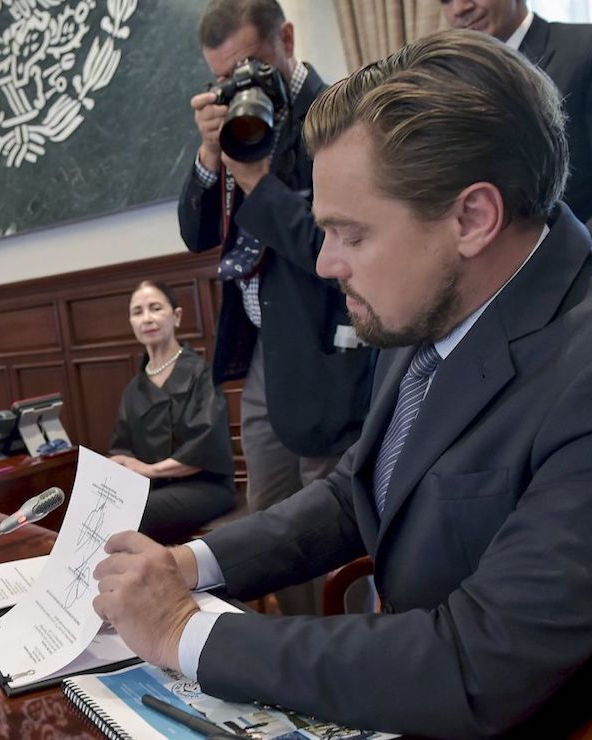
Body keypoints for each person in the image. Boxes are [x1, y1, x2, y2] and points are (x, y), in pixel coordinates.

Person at [94, 30, 592, 738]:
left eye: (351, 234)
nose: (327, 264)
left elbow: (478, 663)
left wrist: (183, 632)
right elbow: (357, 491)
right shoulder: (431, 307)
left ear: (473, 218)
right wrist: (190, 564)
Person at [178, 0, 375, 614]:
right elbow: (196, 232)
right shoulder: (236, 123)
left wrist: (259, 182)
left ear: (286, 39)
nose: (242, 84)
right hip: (265, 350)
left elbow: (330, 246)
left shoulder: (338, 113)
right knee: (269, 512)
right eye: (224, 76)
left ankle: (350, 646)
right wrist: (210, 157)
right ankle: (294, 641)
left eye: (252, 66)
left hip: (323, 347)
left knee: (331, 514)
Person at [440, 0, 592, 261]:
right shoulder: (449, 85)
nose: (459, 8)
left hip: (580, 277)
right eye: (445, 0)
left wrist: (557, 270)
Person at [108, 281, 235, 544]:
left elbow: (205, 447)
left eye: (155, 308)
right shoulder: (134, 388)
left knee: (138, 513)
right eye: (138, 312)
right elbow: (122, 450)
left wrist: (150, 470)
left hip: (205, 486)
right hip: (154, 488)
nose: (147, 318)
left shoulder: (201, 373)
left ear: (176, 316)